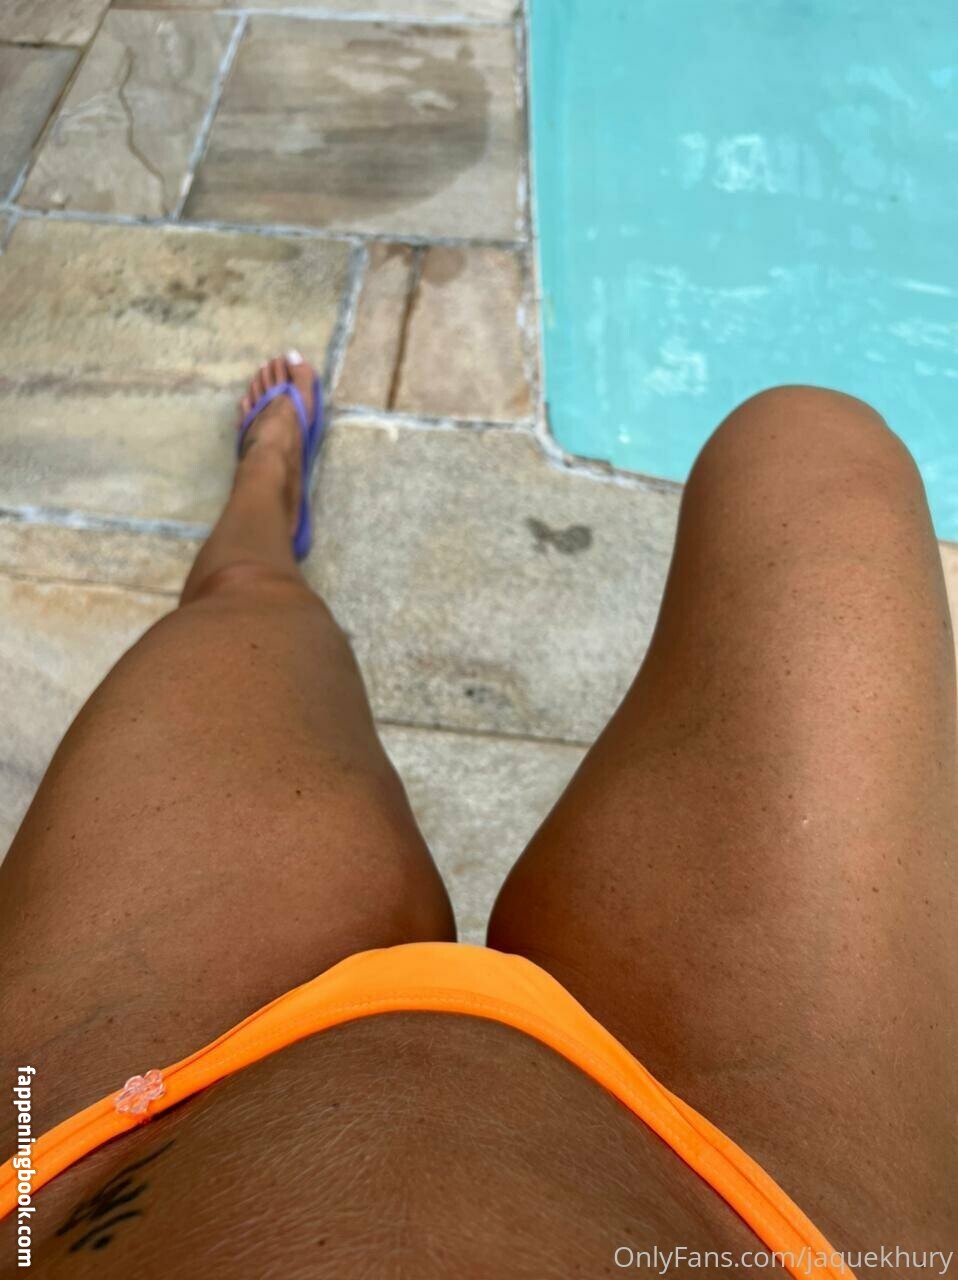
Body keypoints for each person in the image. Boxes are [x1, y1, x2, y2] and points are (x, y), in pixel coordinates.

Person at [0, 357, 953, 1278]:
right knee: (816, 446)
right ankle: (268, 477)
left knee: (241, 599)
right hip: (778, 1222)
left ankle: (266, 480)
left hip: (61, 1180)